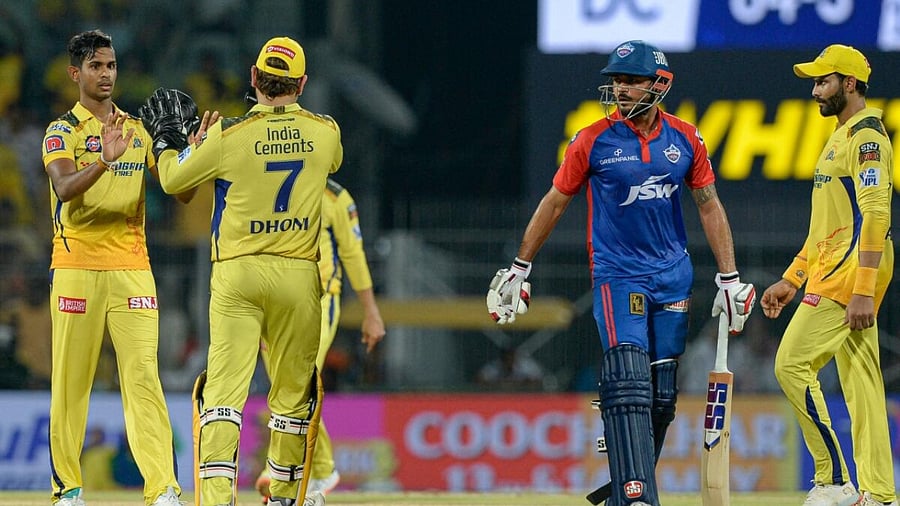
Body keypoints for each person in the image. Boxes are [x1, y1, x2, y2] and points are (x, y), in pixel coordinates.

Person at [485, 40, 755, 506]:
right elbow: (554, 202)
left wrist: (729, 278)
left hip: (673, 276)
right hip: (619, 275)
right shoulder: (592, 140)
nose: (620, 89)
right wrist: (519, 267)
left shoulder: (686, 139)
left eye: (631, 80)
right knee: (629, 382)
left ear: (659, 84)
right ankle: (637, 496)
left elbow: (709, 206)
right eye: (616, 80)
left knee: (662, 398)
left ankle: (623, 489)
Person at [148, 36, 342, 506]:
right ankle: (284, 495)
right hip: (298, 275)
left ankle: (218, 498)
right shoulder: (326, 133)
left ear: (253, 77)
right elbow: (332, 162)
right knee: (292, 396)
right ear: (302, 84)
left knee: (223, 394)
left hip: (237, 275)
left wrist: (171, 143)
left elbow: (172, 179)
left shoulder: (226, 136)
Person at [40, 29, 189, 506]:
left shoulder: (138, 129)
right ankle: (68, 490)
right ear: (75, 73)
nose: (106, 74)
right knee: (71, 383)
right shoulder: (62, 130)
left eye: (111, 65)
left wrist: (188, 149)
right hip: (76, 267)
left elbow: (180, 190)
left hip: (132, 269)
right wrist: (104, 161)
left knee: (143, 378)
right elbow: (64, 188)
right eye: (96, 66)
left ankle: (163, 489)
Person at [761, 44, 898, 506]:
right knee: (862, 382)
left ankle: (833, 480)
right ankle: (880, 494)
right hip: (839, 267)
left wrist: (862, 289)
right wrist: (792, 278)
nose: (815, 91)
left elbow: (876, 215)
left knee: (790, 365)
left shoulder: (867, 139)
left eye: (823, 82)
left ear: (850, 84)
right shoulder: (841, 135)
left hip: (850, 272)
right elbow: (824, 228)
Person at [255, 178, 386, 503]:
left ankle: (282, 468)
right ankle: (322, 468)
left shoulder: (335, 197)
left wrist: (371, 311)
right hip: (274, 299)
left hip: (320, 297)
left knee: (298, 382)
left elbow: (353, 254)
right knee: (286, 386)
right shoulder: (266, 179)